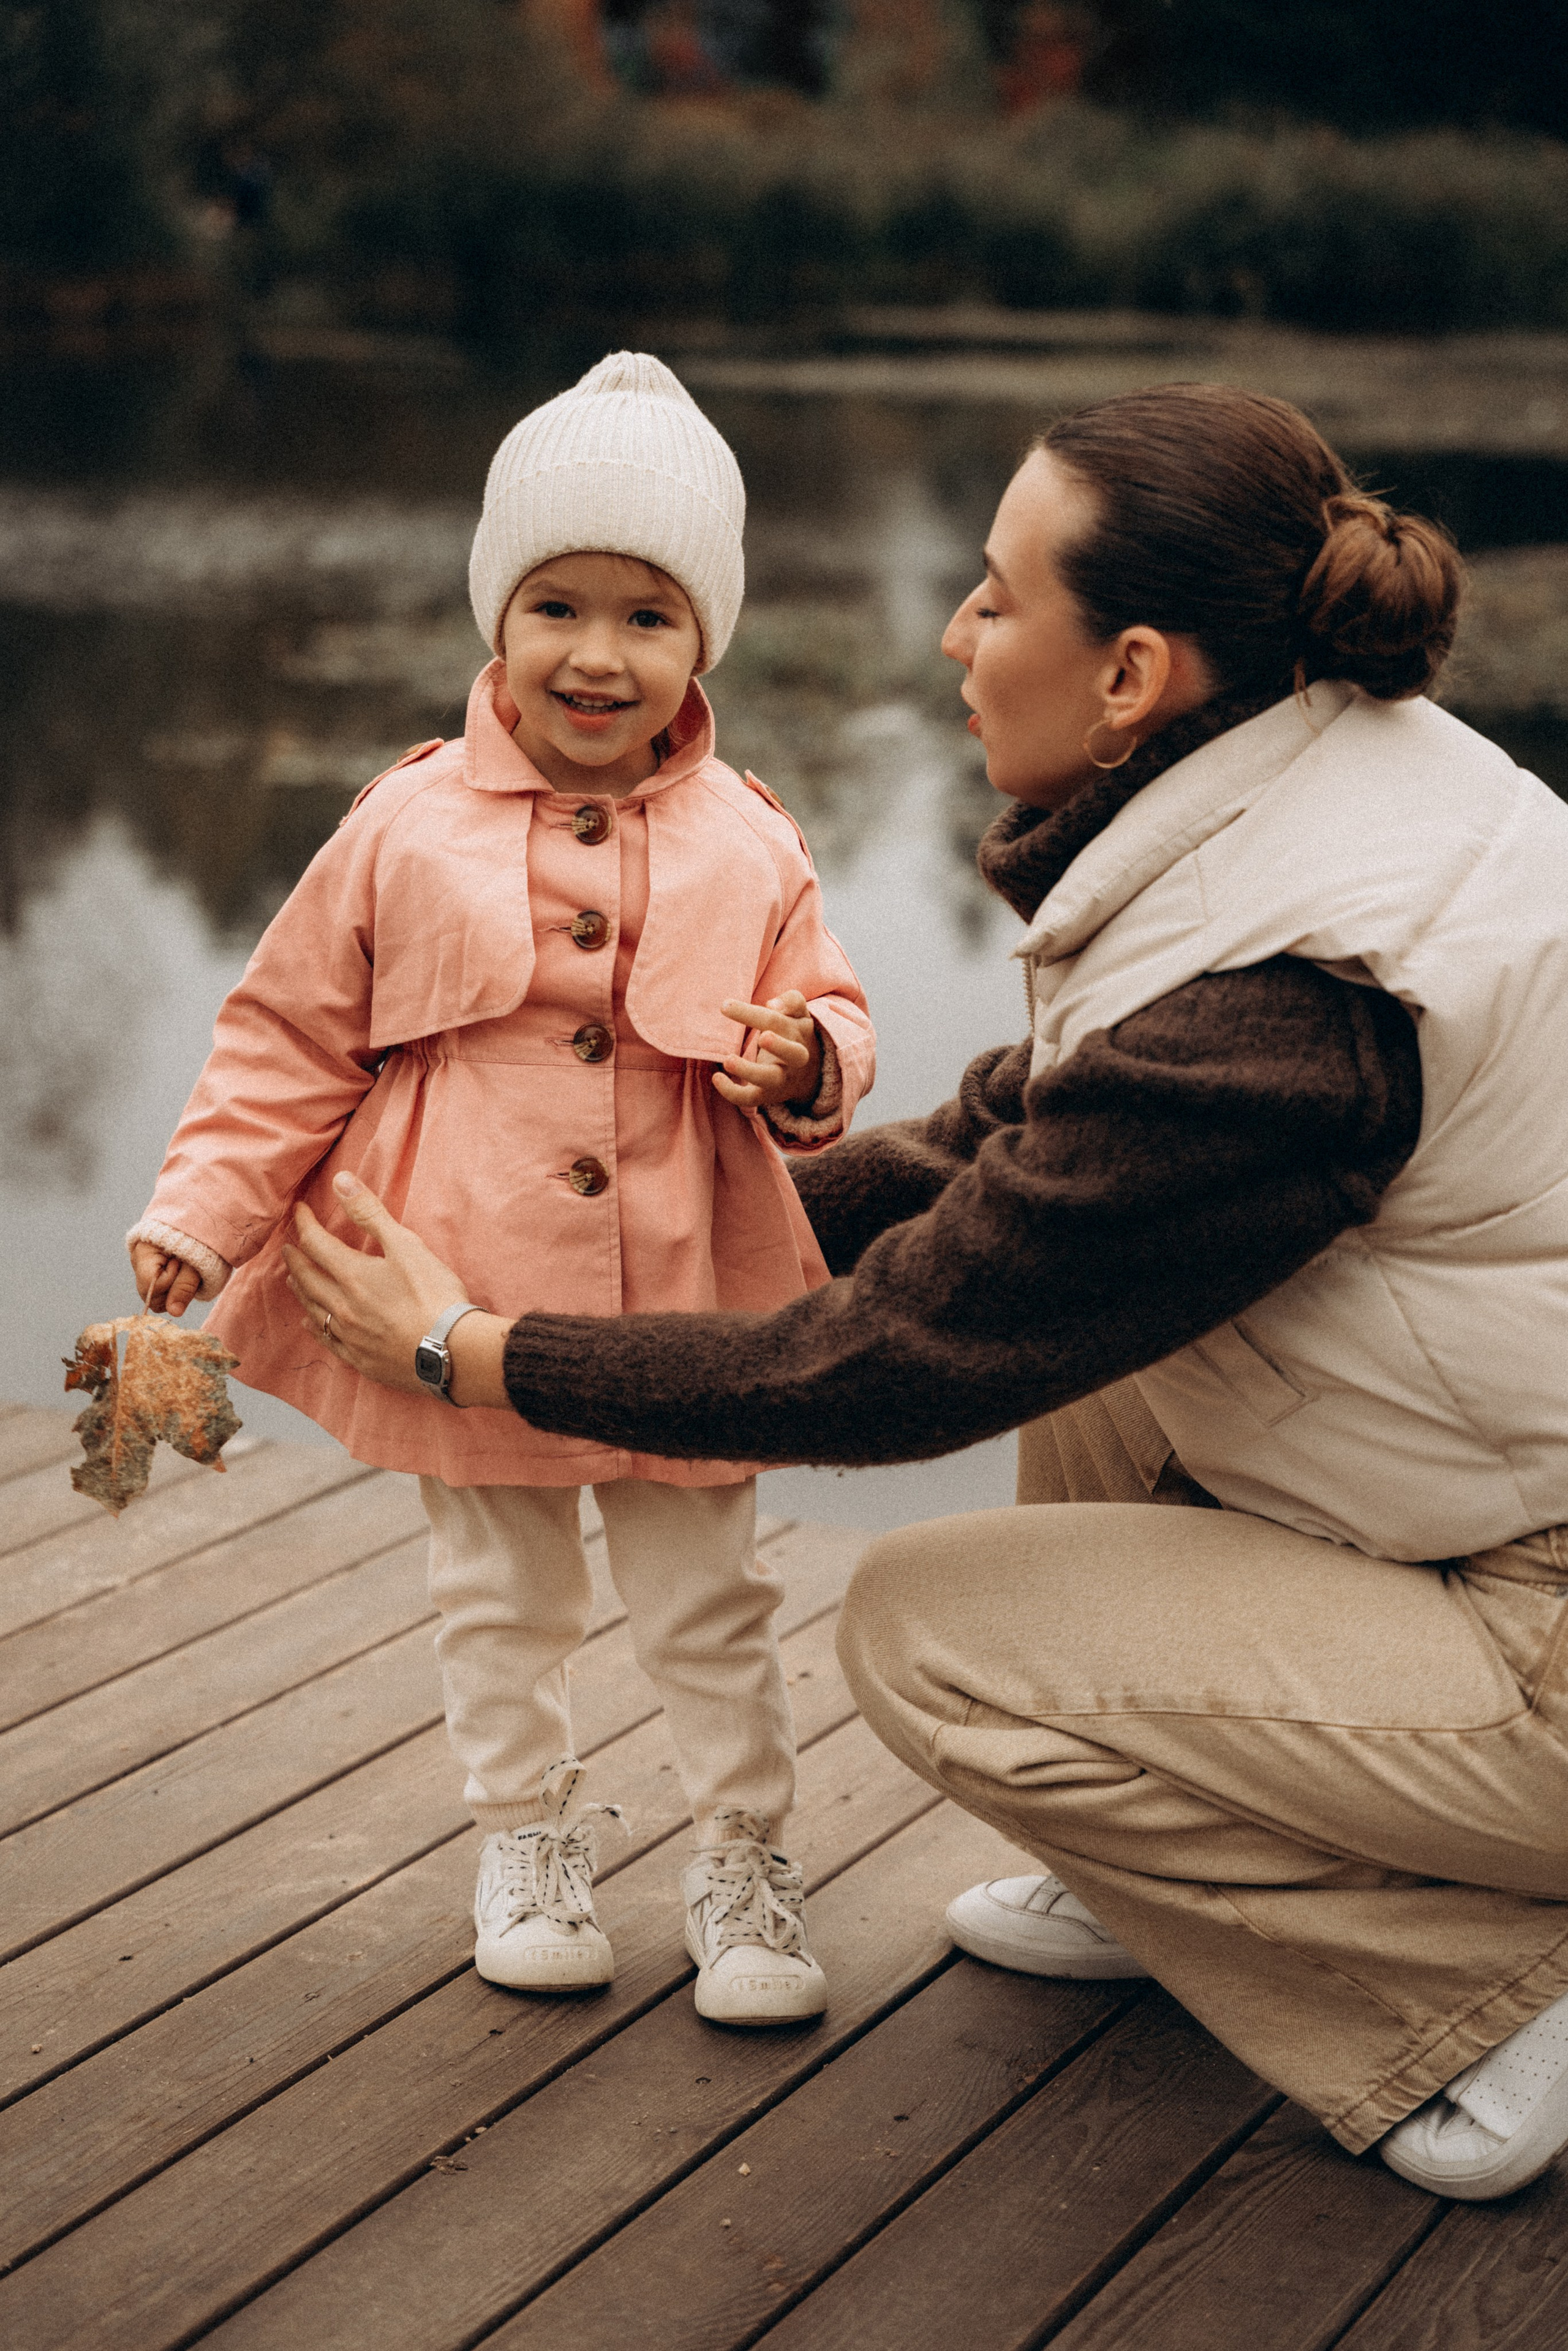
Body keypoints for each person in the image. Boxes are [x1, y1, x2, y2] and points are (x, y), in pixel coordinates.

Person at [282, 382, 1568, 2203]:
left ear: (1130, 673)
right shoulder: (1313, 789)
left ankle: (1478, 2000)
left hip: (1547, 1650)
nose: (955, 634)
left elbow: (892, 1362)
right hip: (1494, 1492)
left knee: (927, 1636)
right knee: (1094, 1340)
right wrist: (668, 1216)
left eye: (993, 594)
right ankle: (1158, 1861)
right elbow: (1006, 1156)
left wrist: (475, 1349)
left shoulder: (1293, 1005)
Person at [127, 352, 875, 2027]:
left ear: (703, 644)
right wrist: (202, 1210)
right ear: (498, 615)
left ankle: (744, 1857)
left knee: (711, 1597)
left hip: (693, 1283)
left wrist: (805, 1061)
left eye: (647, 617)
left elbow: (834, 1006)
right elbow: (287, 1038)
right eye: (555, 605)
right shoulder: (404, 822)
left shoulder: (754, 837)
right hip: (454, 1277)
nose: (596, 655)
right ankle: (526, 1837)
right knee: (504, 1589)